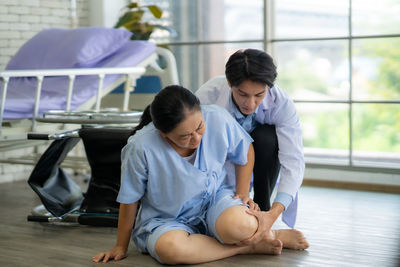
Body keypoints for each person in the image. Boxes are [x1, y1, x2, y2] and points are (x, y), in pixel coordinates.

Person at [92, 85, 308, 264]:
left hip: (214, 202)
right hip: (166, 220)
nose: (196, 139)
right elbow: (130, 199)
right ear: (162, 132)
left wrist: (242, 194)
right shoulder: (140, 147)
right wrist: (120, 246)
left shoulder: (216, 117)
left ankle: (256, 235)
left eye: (199, 127)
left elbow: (245, 150)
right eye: (184, 136)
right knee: (171, 250)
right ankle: (246, 247)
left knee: (242, 225)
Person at [195, 48, 305, 235]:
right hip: (220, 165)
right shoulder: (208, 96)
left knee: (267, 137)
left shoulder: (281, 103)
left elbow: (293, 160)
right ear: (229, 82)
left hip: (262, 159)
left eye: (259, 95)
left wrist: (274, 212)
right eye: (243, 94)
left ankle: (263, 210)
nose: (251, 103)